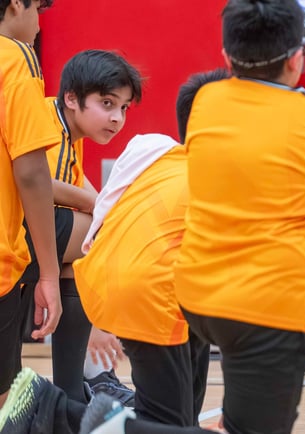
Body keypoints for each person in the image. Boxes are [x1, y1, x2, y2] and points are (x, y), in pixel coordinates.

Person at [170, 0, 305, 432]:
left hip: (196, 298)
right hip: (268, 309)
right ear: (297, 57)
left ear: (226, 58)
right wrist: (298, 276)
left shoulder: (205, 101)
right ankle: (91, 419)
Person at [73, 69, 231, 429]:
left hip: (166, 292)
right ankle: (62, 411)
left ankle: (104, 409)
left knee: (183, 419)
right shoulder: (217, 173)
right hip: (149, 294)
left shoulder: (159, 156)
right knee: (166, 425)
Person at [18, 49, 142, 405]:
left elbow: (93, 199)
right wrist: (96, 207)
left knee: (97, 238)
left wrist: (100, 206)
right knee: (100, 235)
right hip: (11, 229)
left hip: (29, 231)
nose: (117, 118)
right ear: (71, 98)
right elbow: (37, 183)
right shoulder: (48, 121)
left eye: (123, 108)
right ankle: (96, 367)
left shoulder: (71, 138)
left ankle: (74, 389)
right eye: (107, 103)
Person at [0, 0, 63, 416]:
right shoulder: (15, 57)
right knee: (7, 405)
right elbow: (32, 173)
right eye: (39, 8)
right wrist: (50, 273)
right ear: (16, 4)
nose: (39, 24)